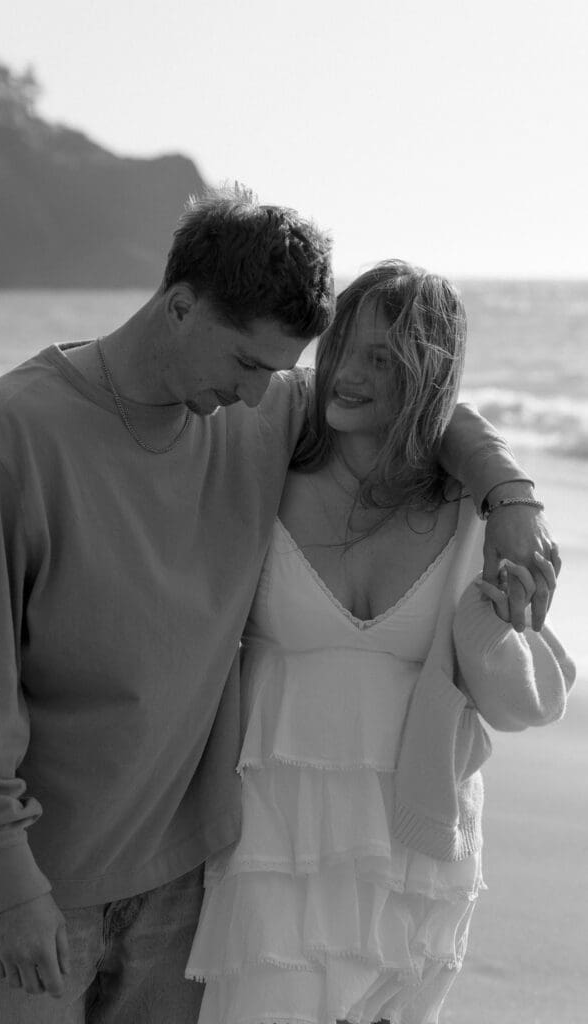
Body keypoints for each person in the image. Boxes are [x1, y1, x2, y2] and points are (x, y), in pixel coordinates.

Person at [0, 190, 559, 1024]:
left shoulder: (256, 406)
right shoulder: (9, 438)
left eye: (279, 371)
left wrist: (511, 499)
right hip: (36, 878)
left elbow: (427, 405)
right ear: (180, 305)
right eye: (249, 365)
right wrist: (5, 881)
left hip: (183, 887)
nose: (264, 395)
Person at [185, 260, 575, 1024]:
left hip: (415, 850)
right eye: (342, 347)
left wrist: (508, 595)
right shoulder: (266, 462)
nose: (348, 374)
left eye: (382, 359)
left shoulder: (471, 511)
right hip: (271, 839)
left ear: (426, 376)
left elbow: (509, 705)